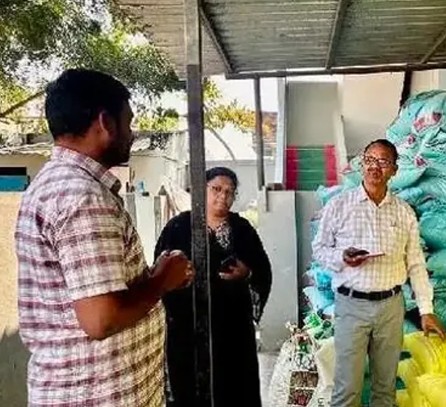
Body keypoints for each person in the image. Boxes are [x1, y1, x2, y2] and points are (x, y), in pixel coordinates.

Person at [15, 69, 194, 407]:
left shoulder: (62, 185)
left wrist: (149, 276)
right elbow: (102, 318)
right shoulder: (81, 196)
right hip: (95, 396)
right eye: (128, 122)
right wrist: (162, 281)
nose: (132, 134)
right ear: (105, 123)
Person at [313, 139, 446, 407]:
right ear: (362, 164)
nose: (375, 167)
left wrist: (426, 310)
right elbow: (319, 249)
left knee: (385, 388)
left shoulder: (404, 212)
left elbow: (416, 264)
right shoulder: (339, 206)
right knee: (347, 388)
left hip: (390, 307)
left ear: (394, 170)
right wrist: (342, 257)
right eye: (370, 160)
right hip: (351, 305)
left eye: (383, 161)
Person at [155, 167, 273, 407]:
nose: (223, 196)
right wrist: (179, 277)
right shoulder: (178, 227)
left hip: (233, 328)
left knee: (235, 387)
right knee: (189, 387)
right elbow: (158, 270)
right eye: (216, 189)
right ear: (202, 190)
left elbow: (263, 270)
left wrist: (246, 273)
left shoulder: (242, 229)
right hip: (187, 326)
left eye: (230, 192)